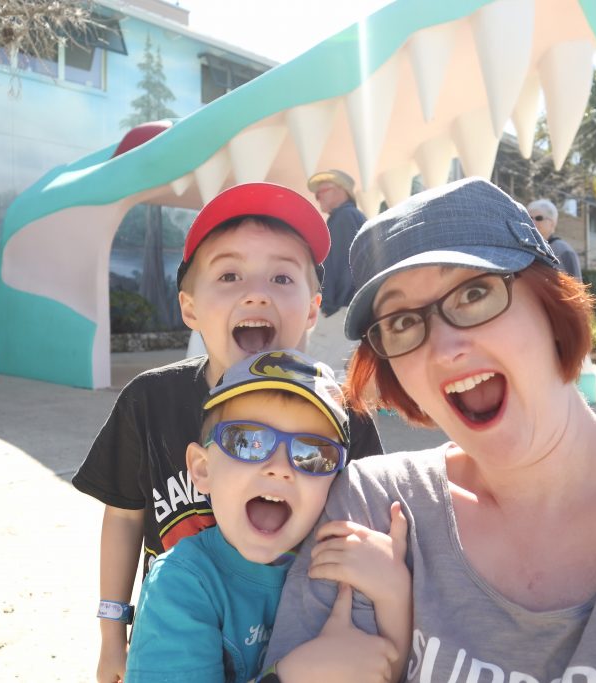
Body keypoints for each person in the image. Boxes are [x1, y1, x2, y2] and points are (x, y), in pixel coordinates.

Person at [265, 178, 596, 681]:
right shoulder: (373, 510)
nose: (445, 347)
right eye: (403, 321)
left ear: (551, 303)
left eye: (474, 293)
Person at [71, 182, 384, 683]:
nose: (256, 291)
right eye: (230, 274)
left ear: (311, 309)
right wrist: (113, 635)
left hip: (308, 643)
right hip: (176, 636)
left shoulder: (345, 418)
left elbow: (368, 543)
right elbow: (125, 517)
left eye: (282, 276)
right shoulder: (150, 401)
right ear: (191, 308)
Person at [125, 349, 409, 683]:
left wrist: (394, 596)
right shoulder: (181, 584)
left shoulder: (344, 559)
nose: (279, 468)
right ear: (202, 469)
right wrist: (290, 677)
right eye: (246, 441)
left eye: (313, 454)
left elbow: (382, 669)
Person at [306, 169, 367, 378]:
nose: (318, 196)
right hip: (347, 309)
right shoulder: (351, 217)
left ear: (344, 191)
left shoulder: (343, 217)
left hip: (339, 310)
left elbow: (343, 266)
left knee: (319, 373)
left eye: (323, 190)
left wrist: (329, 304)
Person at [527, 198, 582, 279]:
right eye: (530, 218)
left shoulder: (564, 251)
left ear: (552, 223)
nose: (533, 222)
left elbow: (578, 287)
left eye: (539, 218)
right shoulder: (525, 248)